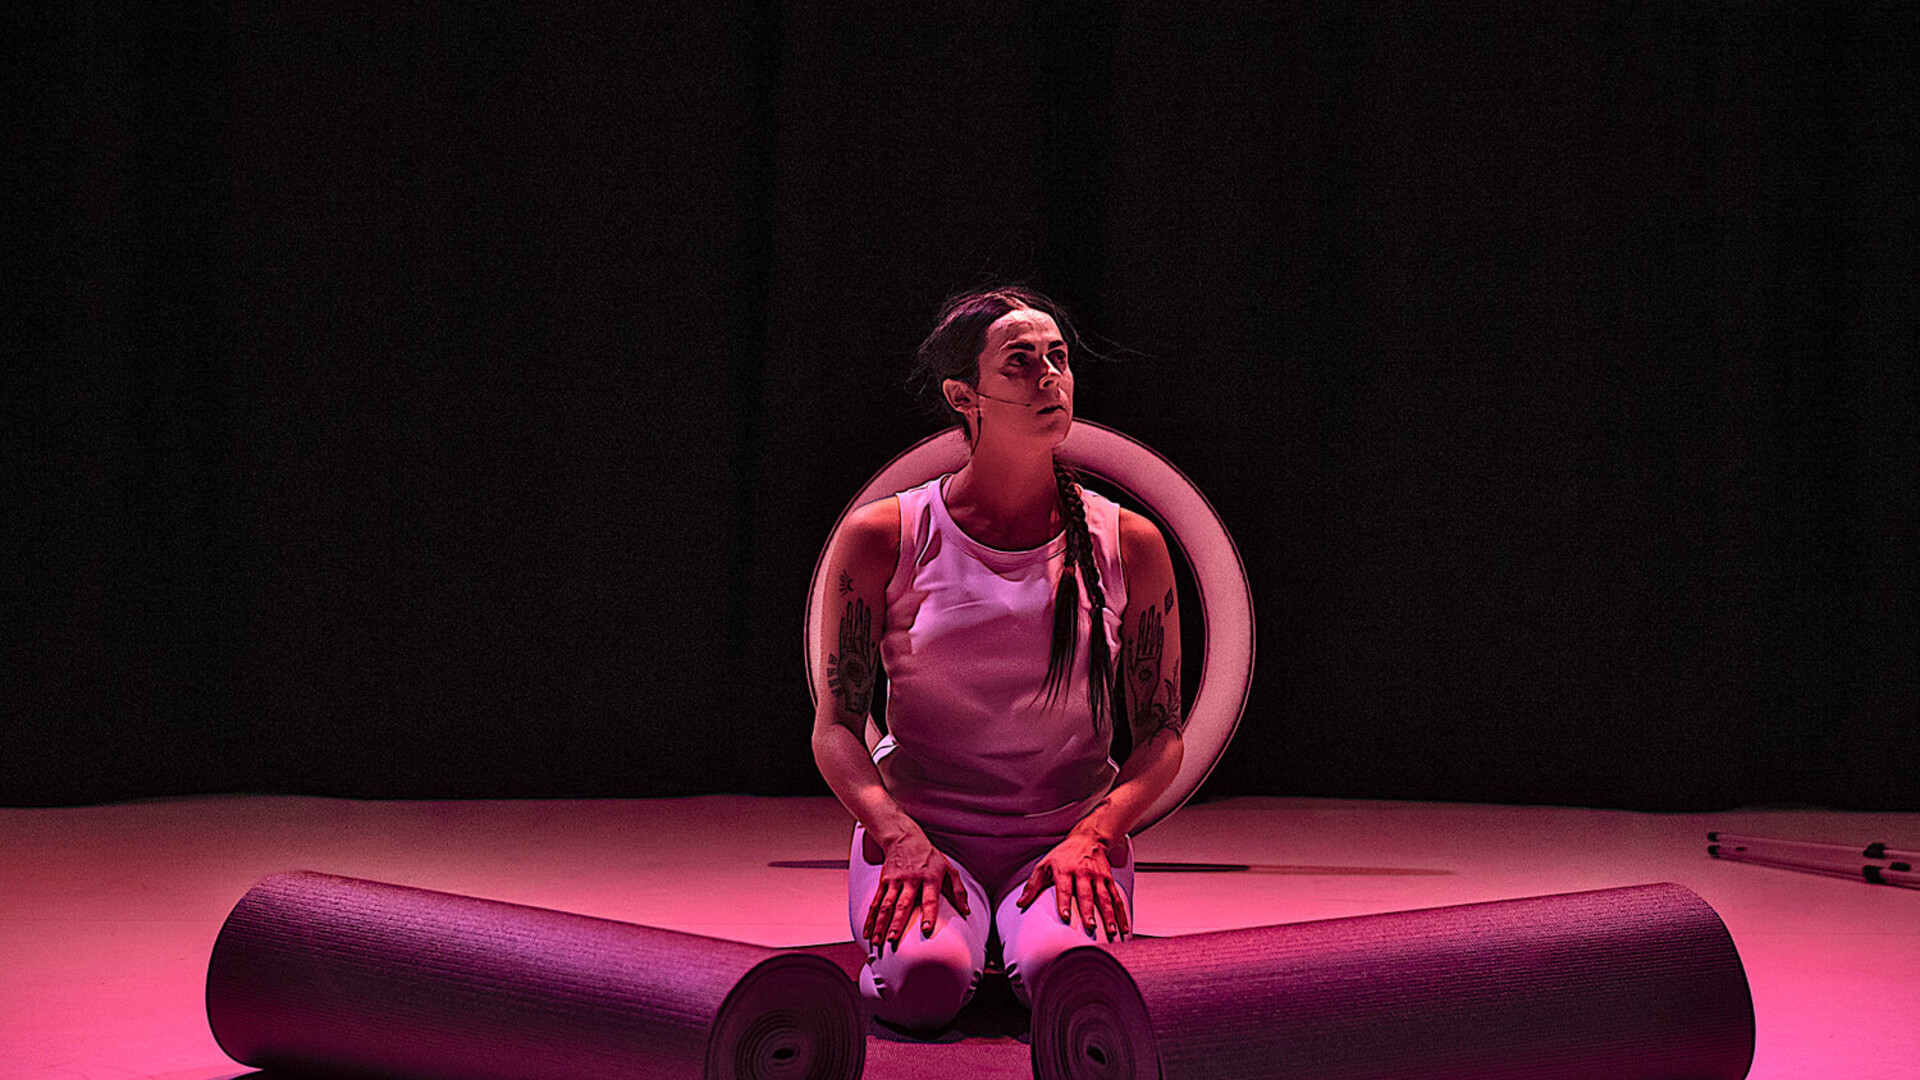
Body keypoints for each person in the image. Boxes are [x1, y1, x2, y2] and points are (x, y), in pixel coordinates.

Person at [810, 286, 1186, 1032]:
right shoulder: (884, 535)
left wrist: (1096, 834)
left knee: (1066, 987)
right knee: (922, 987)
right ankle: (956, 937)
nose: (1051, 376)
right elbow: (836, 727)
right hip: (923, 828)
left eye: (1059, 358)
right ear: (963, 395)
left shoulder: (1130, 542)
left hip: (1065, 836)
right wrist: (898, 835)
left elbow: (1161, 736)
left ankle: (1020, 929)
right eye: (1021, 363)